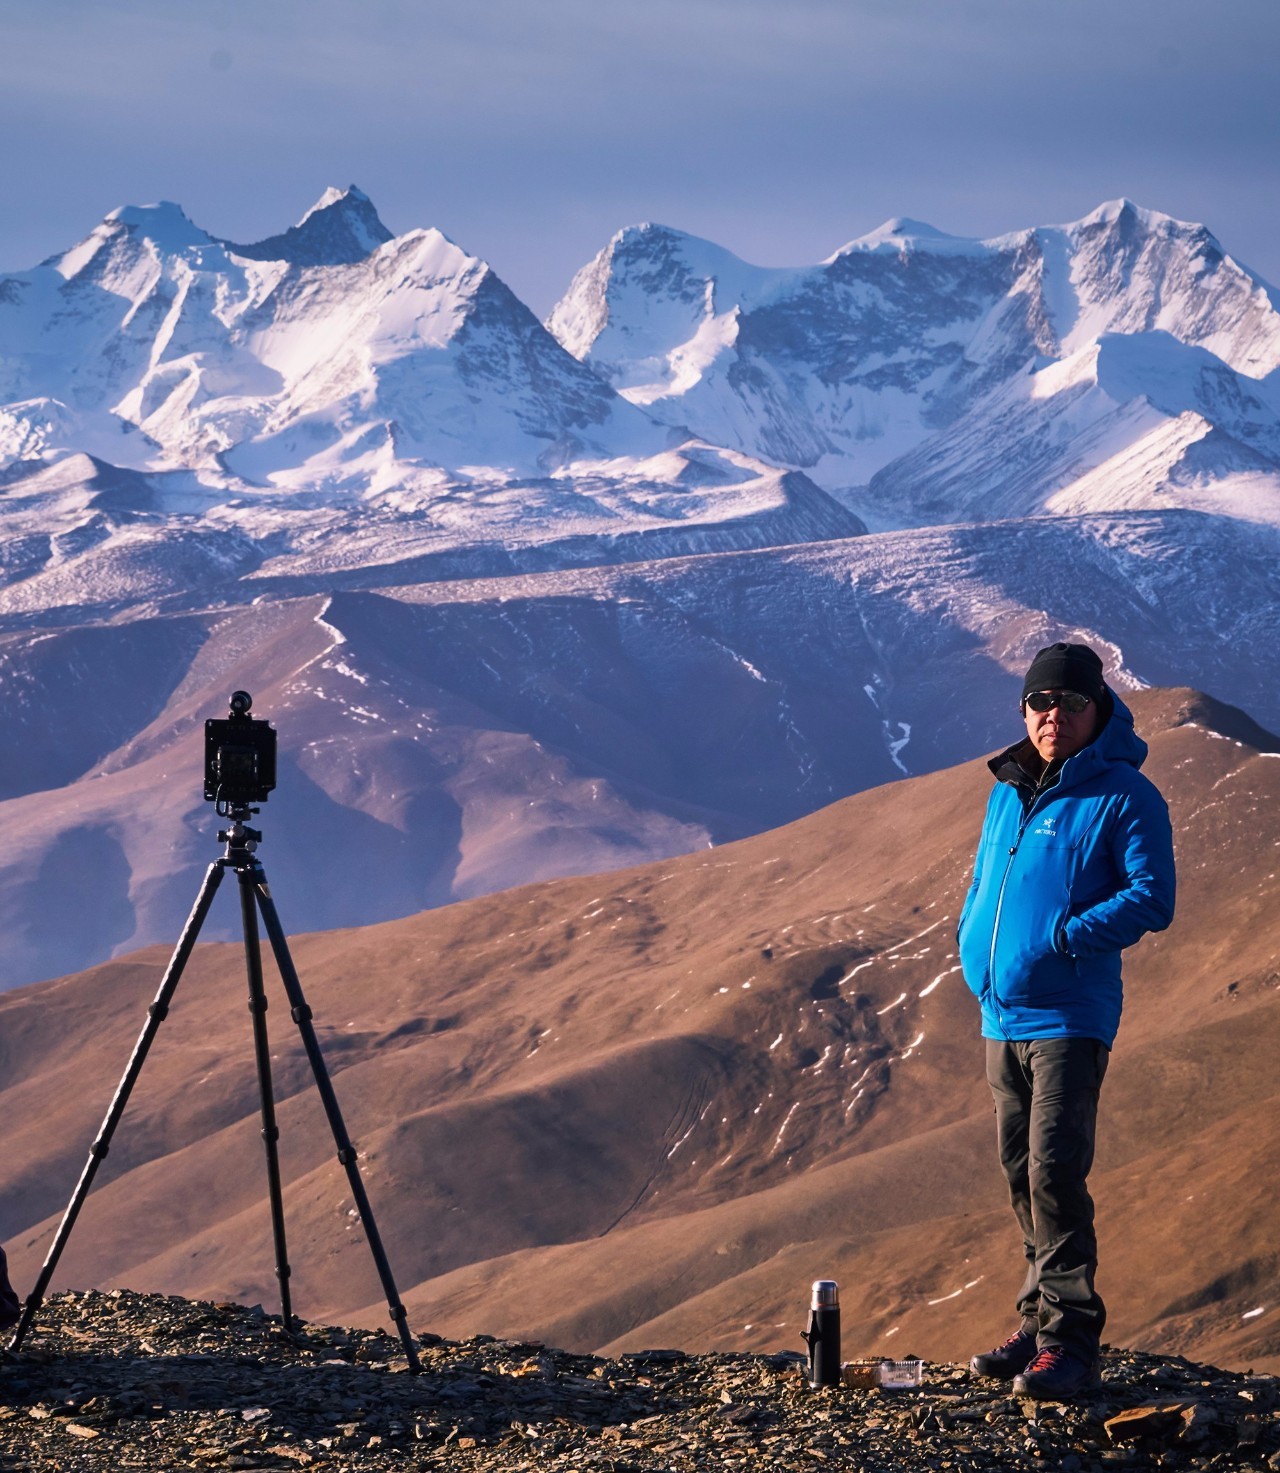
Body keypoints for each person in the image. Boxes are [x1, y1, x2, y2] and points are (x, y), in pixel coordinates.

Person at [957, 642, 1175, 1399]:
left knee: (1055, 1169)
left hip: (1068, 1016)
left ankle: (1071, 1342)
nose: (1054, 715)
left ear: (1098, 708)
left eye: (1070, 702)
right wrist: (971, 943)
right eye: (1040, 702)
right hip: (1001, 1014)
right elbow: (989, 877)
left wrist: (1063, 936)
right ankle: (1038, 1316)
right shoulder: (1008, 789)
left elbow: (1154, 896)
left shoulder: (1125, 794)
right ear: (1024, 710)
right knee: (1022, 1173)